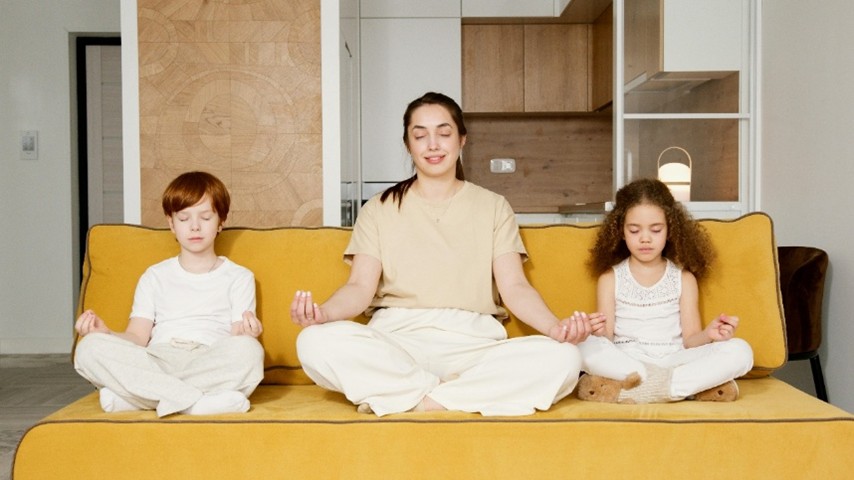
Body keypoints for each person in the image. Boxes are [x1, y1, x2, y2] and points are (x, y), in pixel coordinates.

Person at [291, 92, 603, 417]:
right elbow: (358, 287)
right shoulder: (378, 208)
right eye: (420, 135)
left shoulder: (494, 207)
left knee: (565, 358)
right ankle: (455, 397)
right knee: (312, 341)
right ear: (408, 144)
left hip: (473, 344)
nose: (433, 144)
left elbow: (515, 288)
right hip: (397, 342)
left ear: (462, 140)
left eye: (444, 133)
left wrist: (555, 328)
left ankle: (415, 400)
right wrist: (322, 315)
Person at [74, 171, 265, 417]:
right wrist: (106, 334)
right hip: (157, 358)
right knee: (88, 348)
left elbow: (237, 335)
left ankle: (140, 398)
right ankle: (194, 404)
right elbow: (137, 336)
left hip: (209, 357)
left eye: (205, 217)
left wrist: (247, 334)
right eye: (184, 218)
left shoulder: (239, 277)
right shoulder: (154, 276)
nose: (195, 226)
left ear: (221, 222)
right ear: (171, 224)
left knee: (249, 352)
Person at [576, 178, 754, 404]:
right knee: (582, 346)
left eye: (656, 229)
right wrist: (597, 331)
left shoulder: (684, 278)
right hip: (629, 362)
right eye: (634, 230)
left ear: (670, 229)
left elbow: (690, 340)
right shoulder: (610, 278)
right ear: (621, 231)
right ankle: (682, 388)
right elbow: (607, 340)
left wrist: (710, 335)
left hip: (673, 360)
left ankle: (641, 390)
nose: (645, 238)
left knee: (741, 351)